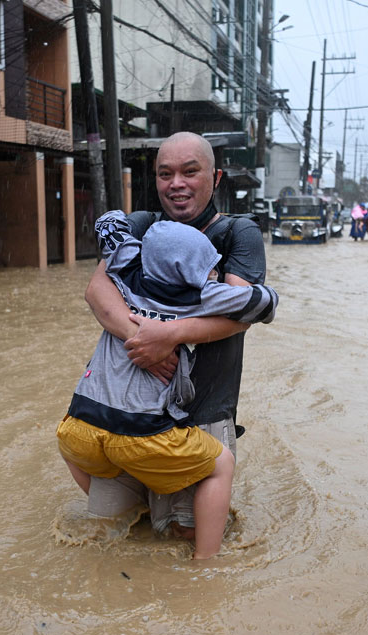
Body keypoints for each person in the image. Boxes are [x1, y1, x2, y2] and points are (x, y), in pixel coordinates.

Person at [59, 211, 278, 559]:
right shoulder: (199, 296)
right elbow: (263, 304)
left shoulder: (126, 271)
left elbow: (107, 223)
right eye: (210, 266)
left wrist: (134, 242)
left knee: (105, 478)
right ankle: (206, 564)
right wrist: (222, 287)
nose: (214, 271)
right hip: (142, 434)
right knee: (221, 464)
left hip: (76, 430)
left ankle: (137, 514)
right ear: (192, 274)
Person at [83, 131, 267, 542]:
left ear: (215, 178)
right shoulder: (142, 225)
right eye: (165, 174)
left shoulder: (239, 233)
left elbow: (238, 312)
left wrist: (169, 335)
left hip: (203, 409)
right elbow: (97, 290)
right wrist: (144, 341)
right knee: (118, 528)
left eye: (190, 171)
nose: (176, 183)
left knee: (188, 534)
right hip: (128, 408)